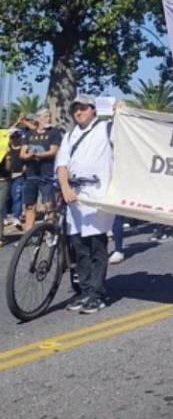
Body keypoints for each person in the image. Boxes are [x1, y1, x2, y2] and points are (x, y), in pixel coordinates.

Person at [57, 95, 115, 314]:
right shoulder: (70, 135)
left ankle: (98, 294)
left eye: (82, 108)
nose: (78, 112)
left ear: (93, 110)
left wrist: (122, 109)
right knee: (79, 247)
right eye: (75, 109)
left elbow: (130, 131)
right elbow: (62, 165)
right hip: (75, 196)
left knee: (96, 246)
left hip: (97, 196)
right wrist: (65, 188)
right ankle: (85, 291)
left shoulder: (107, 129)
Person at [21, 108, 62, 232]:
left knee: (49, 204)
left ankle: (51, 231)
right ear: (37, 118)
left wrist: (37, 155)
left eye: (49, 116)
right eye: (45, 116)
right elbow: (22, 153)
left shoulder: (54, 132)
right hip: (31, 174)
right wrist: (27, 156)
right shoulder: (29, 134)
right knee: (29, 205)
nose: (48, 119)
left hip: (47, 173)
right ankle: (28, 234)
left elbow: (53, 151)